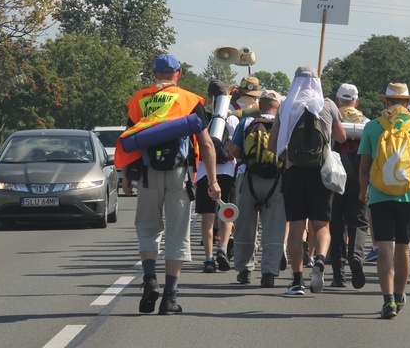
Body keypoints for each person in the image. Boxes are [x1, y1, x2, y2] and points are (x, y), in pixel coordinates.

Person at [117, 54, 220, 315]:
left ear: (154, 74)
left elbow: (131, 139)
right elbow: (206, 144)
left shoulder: (139, 99)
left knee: (148, 229)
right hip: (179, 175)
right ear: (179, 73)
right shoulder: (189, 99)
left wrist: (127, 176)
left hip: (149, 174)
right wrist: (213, 180)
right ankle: (169, 298)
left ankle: (150, 279)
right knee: (177, 233)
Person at [358, 83, 410, 319]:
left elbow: (364, 167)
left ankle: (387, 301)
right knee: (403, 249)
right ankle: (399, 295)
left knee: (385, 248)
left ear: (386, 102)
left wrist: (363, 191)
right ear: (407, 103)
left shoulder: (372, 127)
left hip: (379, 196)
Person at [268, 66, 346, 295]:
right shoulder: (328, 105)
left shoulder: (286, 106)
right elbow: (341, 137)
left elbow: (273, 146)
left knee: (296, 227)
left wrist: (288, 157)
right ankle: (320, 259)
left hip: (294, 173)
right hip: (321, 174)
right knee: (321, 225)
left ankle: (296, 281)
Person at [228, 90, 286, 288]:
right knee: (274, 227)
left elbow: (233, 151)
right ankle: (269, 273)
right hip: (276, 180)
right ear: (278, 107)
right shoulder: (283, 125)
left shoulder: (246, 123)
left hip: (248, 178)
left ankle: (244, 270)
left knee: (244, 225)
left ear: (259, 105)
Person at [329, 83, 370, 288]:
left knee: (335, 225)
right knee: (359, 223)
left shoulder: (330, 120)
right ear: (357, 102)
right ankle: (356, 256)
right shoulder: (367, 123)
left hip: (334, 182)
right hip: (359, 181)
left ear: (337, 101)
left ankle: (338, 275)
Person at [196, 80, 239, 273]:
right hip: (228, 171)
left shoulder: (201, 117)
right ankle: (222, 247)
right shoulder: (231, 119)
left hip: (205, 171)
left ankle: (208, 258)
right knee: (227, 212)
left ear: (210, 96)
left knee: (207, 216)